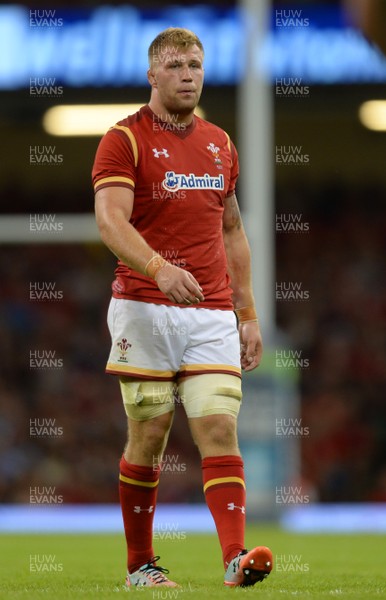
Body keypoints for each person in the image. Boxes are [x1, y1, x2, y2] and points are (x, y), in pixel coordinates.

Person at [92, 27, 272, 588]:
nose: (188, 73)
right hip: (144, 306)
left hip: (212, 309)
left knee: (219, 427)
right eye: (174, 65)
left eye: (195, 63)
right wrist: (158, 268)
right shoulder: (124, 140)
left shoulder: (220, 142)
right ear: (152, 74)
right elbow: (110, 221)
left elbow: (234, 231)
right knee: (150, 435)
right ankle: (140, 566)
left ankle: (234, 560)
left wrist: (248, 314)